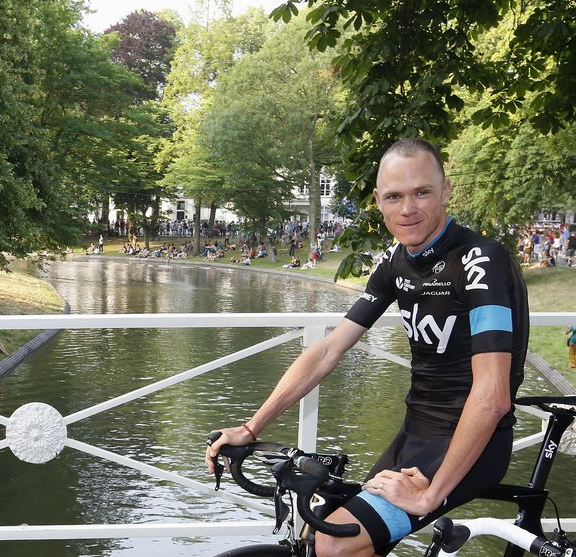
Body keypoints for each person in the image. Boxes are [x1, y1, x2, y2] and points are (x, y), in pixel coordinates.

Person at [206, 138, 529, 557]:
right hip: (415, 434)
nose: (408, 209)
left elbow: (492, 397)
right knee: (326, 530)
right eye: (394, 196)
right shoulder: (396, 260)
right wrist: (252, 428)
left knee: (336, 542)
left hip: (472, 443)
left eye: (422, 192)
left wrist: (429, 498)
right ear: (379, 201)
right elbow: (327, 351)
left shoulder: (480, 261)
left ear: (446, 190)